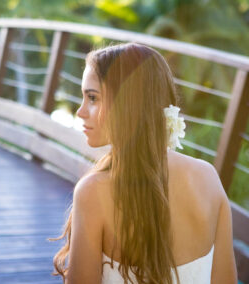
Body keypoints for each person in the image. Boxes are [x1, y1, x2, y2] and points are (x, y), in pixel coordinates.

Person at [49, 42, 238, 284]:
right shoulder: (208, 178)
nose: (81, 111)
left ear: (127, 102)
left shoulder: (93, 192)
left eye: (93, 98)